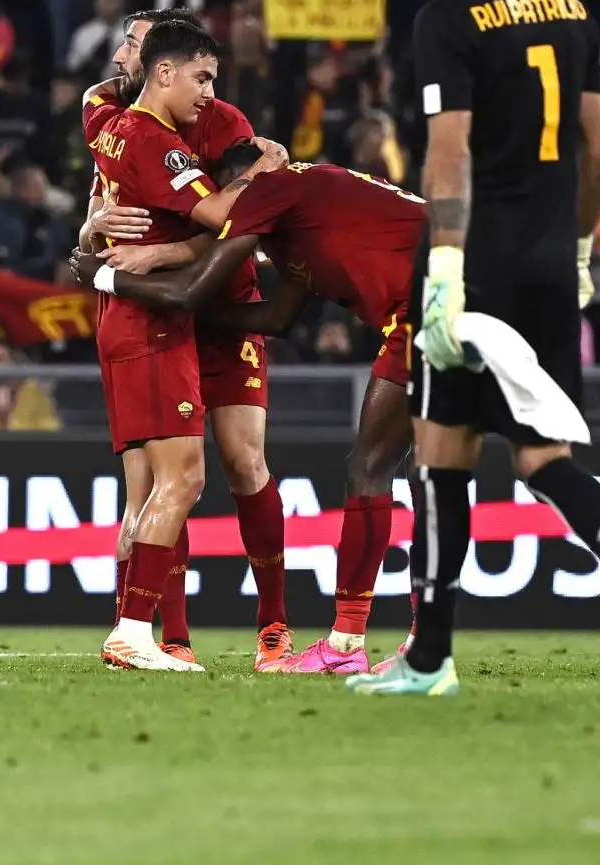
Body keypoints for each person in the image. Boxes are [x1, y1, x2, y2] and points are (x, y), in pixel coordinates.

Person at [349, 0, 600, 698]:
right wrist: (577, 251)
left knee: (439, 455)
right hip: (547, 266)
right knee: (544, 455)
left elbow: (450, 152)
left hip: (478, 268)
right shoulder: (572, 10)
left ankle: (429, 659)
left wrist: (447, 272)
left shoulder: (448, 16)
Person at [75, 146, 429, 673]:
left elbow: (192, 291)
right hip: (469, 289)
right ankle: (419, 642)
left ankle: (345, 646)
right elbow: (280, 316)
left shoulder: (269, 190)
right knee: (440, 472)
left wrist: (102, 276)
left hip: (427, 307)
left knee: (371, 468)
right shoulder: (301, 217)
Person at [79, 9, 294, 671]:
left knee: (240, 461)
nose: (124, 57)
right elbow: (104, 208)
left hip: (218, 304)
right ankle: (156, 634)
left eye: (135, 45)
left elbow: (239, 231)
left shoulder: (222, 122)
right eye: (126, 45)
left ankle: (272, 628)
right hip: (158, 311)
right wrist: (93, 236)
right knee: (159, 482)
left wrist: (162, 251)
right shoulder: (114, 114)